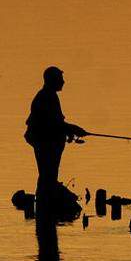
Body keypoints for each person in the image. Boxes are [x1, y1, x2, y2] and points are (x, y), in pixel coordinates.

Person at [24, 66, 86, 213]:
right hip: (44, 143)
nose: (63, 82)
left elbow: (56, 123)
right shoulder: (46, 97)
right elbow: (53, 124)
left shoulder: (49, 95)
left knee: (47, 175)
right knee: (47, 175)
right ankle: (44, 209)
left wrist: (71, 130)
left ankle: (43, 212)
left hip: (45, 142)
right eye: (60, 79)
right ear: (53, 80)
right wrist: (74, 129)